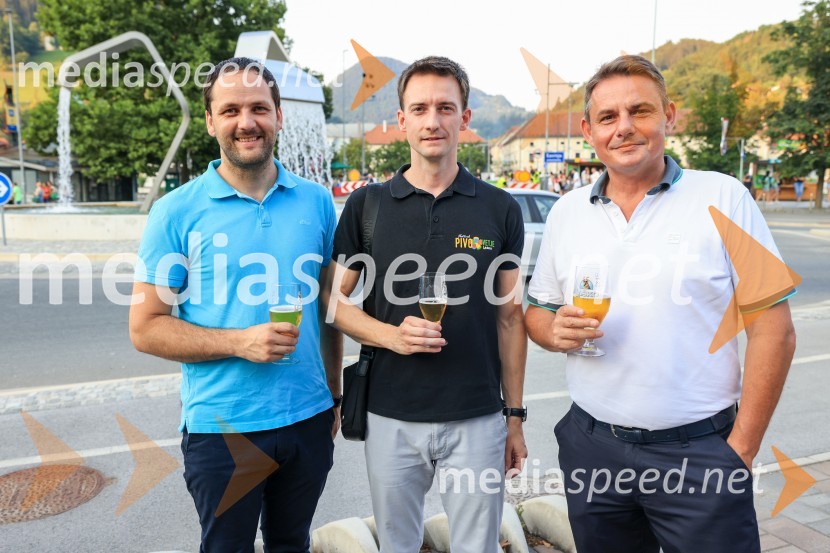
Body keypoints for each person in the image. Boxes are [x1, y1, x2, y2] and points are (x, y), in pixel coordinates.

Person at [525, 55, 796, 553]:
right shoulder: (566, 212)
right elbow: (538, 312)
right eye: (608, 117)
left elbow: (773, 329)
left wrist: (741, 450)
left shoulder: (725, 196)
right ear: (588, 130)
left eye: (640, 111)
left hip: (699, 452)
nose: (624, 127)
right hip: (592, 448)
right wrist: (550, 330)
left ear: (668, 116)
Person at [129, 57, 343, 552]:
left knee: (293, 543)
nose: (246, 122)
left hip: (308, 419)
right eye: (230, 110)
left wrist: (333, 394)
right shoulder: (175, 211)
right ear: (210, 121)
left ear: (279, 115)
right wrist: (239, 342)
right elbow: (144, 328)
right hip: (222, 428)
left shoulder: (316, 202)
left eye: (258, 109)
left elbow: (330, 309)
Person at [323, 56, 528, 553]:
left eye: (445, 107)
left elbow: (509, 319)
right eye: (419, 108)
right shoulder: (366, 206)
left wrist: (514, 417)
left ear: (465, 117)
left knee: (476, 547)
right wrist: (390, 336)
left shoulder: (499, 207)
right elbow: (332, 302)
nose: (432, 120)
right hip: (390, 415)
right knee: (398, 545)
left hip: (478, 418)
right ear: (402, 120)